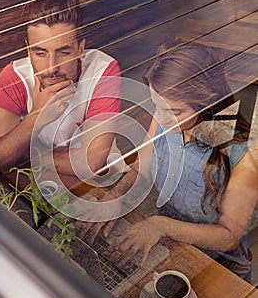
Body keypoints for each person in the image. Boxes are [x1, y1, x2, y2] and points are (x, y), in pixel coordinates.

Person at [79, 40, 258, 282]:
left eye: (175, 112)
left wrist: (160, 226)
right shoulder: (166, 114)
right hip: (170, 248)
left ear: (207, 104)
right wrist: (116, 196)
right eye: (156, 105)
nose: (161, 119)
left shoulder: (244, 155)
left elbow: (229, 236)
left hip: (218, 266)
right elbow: (142, 169)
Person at [0, 0, 121, 187]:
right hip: (34, 183)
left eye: (63, 52)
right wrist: (36, 118)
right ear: (28, 49)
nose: (51, 68)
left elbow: (91, 162)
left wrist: (25, 155)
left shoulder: (102, 70)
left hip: (96, 184)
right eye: (40, 53)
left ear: (81, 49)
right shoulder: (14, 76)